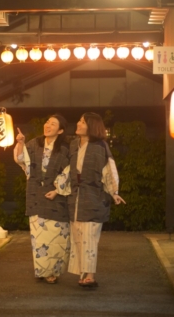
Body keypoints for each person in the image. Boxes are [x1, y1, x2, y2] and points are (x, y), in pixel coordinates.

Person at [55, 112, 126, 287]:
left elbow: (108, 169)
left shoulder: (100, 146)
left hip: (94, 197)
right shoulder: (73, 145)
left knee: (90, 237)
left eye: (82, 121)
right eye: (79, 120)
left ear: (91, 126)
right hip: (76, 198)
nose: (78, 124)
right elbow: (67, 170)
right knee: (78, 237)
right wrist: (57, 189)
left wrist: (114, 192)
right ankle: (82, 271)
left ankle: (90, 275)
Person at [13, 115, 71, 284]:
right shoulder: (34, 144)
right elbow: (20, 159)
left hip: (56, 197)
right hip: (36, 194)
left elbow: (69, 171)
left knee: (58, 236)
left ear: (60, 130)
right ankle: (44, 271)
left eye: (53, 124)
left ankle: (54, 271)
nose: (48, 125)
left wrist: (57, 190)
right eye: (47, 122)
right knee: (40, 238)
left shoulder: (65, 149)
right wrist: (21, 143)